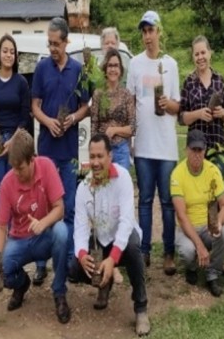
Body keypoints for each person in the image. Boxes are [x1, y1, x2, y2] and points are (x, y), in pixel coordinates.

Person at [69, 133, 150, 336]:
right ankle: (104, 283)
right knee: (73, 268)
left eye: (100, 156)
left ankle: (141, 307)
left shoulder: (123, 178)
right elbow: (79, 227)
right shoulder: (83, 188)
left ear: (110, 156)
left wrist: (112, 259)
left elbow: (126, 222)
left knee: (133, 248)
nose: (95, 162)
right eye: (92, 156)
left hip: (121, 240)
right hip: (99, 242)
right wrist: (81, 254)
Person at [0, 130, 71, 324]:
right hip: (19, 240)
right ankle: (21, 284)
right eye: (13, 168)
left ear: (32, 159)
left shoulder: (47, 166)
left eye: (21, 168)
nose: (17, 173)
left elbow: (60, 209)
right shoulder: (7, 182)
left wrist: (43, 223)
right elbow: (0, 227)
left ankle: (59, 293)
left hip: (44, 236)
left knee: (61, 232)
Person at [31, 17, 90, 285]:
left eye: (57, 43)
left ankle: (65, 262)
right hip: (45, 150)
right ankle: (41, 263)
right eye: (50, 43)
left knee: (66, 207)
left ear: (67, 42)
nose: (53, 48)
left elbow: (86, 106)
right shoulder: (42, 67)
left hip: (68, 151)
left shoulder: (78, 70)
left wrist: (72, 120)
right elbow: (35, 105)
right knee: (42, 205)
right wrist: (48, 121)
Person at [126, 10, 181, 275]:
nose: (148, 36)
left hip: (167, 146)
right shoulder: (135, 64)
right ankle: (145, 251)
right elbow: (130, 103)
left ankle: (168, 253)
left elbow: (178, 105)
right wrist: (130, 140)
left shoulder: (171, 64)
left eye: (151, 30)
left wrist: (168, 104)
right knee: (145, 200)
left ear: (159, 32)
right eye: (144, 31)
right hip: (144, 146)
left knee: (168, 202)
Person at [171, 129, 224, 297]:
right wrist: (199, 245)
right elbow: (182, 216)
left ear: (205, 150)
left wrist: (217, 222)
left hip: (207, 225)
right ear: (186, 150)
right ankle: (191, 267)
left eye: (200, 150)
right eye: (193, 150)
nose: (197, 154)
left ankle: (213, 273)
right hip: (186, 228)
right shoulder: (177, 174)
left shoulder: (213, 170)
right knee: (189, 251)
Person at [0, 34, 30, 228]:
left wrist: (13, 142)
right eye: (5, 51)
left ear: (16, 56)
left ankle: (16, 244)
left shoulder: (21, 83)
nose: (8, 55)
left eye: (12, 52)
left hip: (15, 143)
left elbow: (25, 117)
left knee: (16, 194)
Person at [179, 36, 224, 178]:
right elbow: (181, 118)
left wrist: (223, 113)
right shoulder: (188, 83)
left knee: (216, 190)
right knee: (196, 191)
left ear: (210, 53)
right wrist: (198, 114)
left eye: (203, 53)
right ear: (193, 57)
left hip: (217, 146)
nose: (200, 57)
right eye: (196, 54)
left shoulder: (219, 80)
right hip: (196, 148)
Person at [90, 48, 135, 171]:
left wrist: (114, 130)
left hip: (121, 150)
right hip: (102, 151)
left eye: (116, 66)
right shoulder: (98, 94)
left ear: (120, 70)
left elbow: (133, 128)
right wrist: (94, 152)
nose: (113, 69)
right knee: (103, 188)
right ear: (105, 68)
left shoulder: (127, 95)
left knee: (121, 186)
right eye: (110, 66)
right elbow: (94, 126)